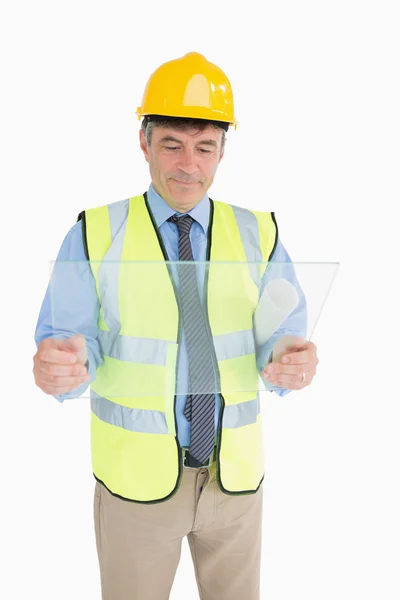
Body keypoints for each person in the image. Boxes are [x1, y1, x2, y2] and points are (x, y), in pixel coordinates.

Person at [33, 52, 319, 600]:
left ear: (221, 151)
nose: (189, 164)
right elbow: (67, 346)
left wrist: (293, 365)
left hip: (233, 479)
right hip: (137, 486)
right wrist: (60, 369)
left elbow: (281, 347)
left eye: (204, 147)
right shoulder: (95, 234)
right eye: (172, 144)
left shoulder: (259, 234)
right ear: (144, 143)